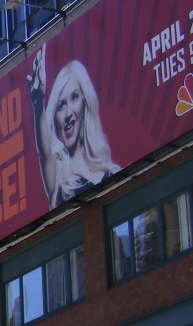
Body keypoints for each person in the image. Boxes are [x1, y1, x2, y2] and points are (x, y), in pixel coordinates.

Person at [28, 43, 118, 208]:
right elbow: (44, 154)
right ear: (55, 117)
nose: (68, 113)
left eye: (74, 97)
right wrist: (38, 104)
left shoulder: (110, 170)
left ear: (85, 101)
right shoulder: (59, 180)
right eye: (61, 105)